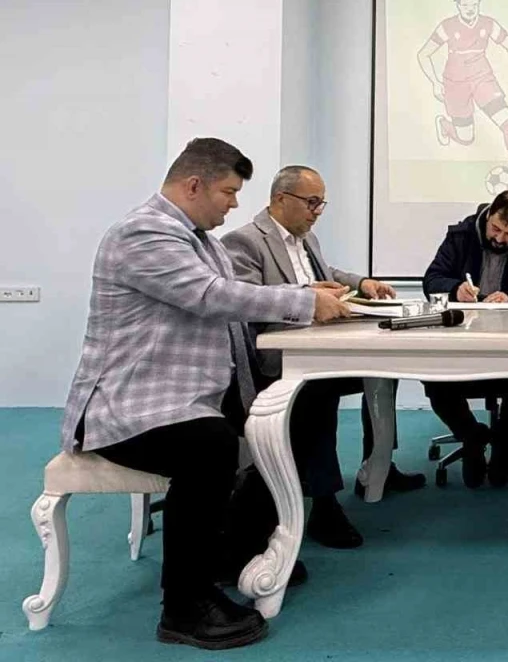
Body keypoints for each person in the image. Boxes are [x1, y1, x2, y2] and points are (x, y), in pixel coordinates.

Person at [59, 139, 349, 650]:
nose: (235, 204)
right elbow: (211, 296)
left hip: (187, 396)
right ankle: (184, 606)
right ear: (194, 185)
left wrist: (302, 297)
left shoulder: (201, 240)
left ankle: (234, 549)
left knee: (300, 410)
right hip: (129, 406)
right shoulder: (144, 233)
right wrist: (304, 302)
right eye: (228, 192)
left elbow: (232, 301)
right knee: (209, 447)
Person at [221, 165, 426, 549]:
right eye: (311, 203)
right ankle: (325, 502)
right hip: (274, 360)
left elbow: (326, 273)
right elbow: (245, 301)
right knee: (320, 390)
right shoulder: (245, 242)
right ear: (281, 199)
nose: (317, 212)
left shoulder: (307, 237)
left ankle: (378, 464)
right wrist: (307, 296)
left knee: (384, 369)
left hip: (317, 345)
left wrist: (361, 283)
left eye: (321, 204)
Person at [421, 190, 508, 487]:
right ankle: (472, 437)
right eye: (495, 229)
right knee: (435, 380)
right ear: (487, 218)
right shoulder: (461, 236)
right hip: (462, 343)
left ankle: (502, 443)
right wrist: (456, 288)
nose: (500, 238)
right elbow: (431, 280)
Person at [417, 0, 508, 192]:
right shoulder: (447, 26)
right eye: (465, 5)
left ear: (479, 4)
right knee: (466, 139)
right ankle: (445, 125)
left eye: (474, 5)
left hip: (482, 79)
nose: (470, 9)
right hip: (456, 84)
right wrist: (434, 82)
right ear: (458, 5)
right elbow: (423, 54)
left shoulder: (488, 24)